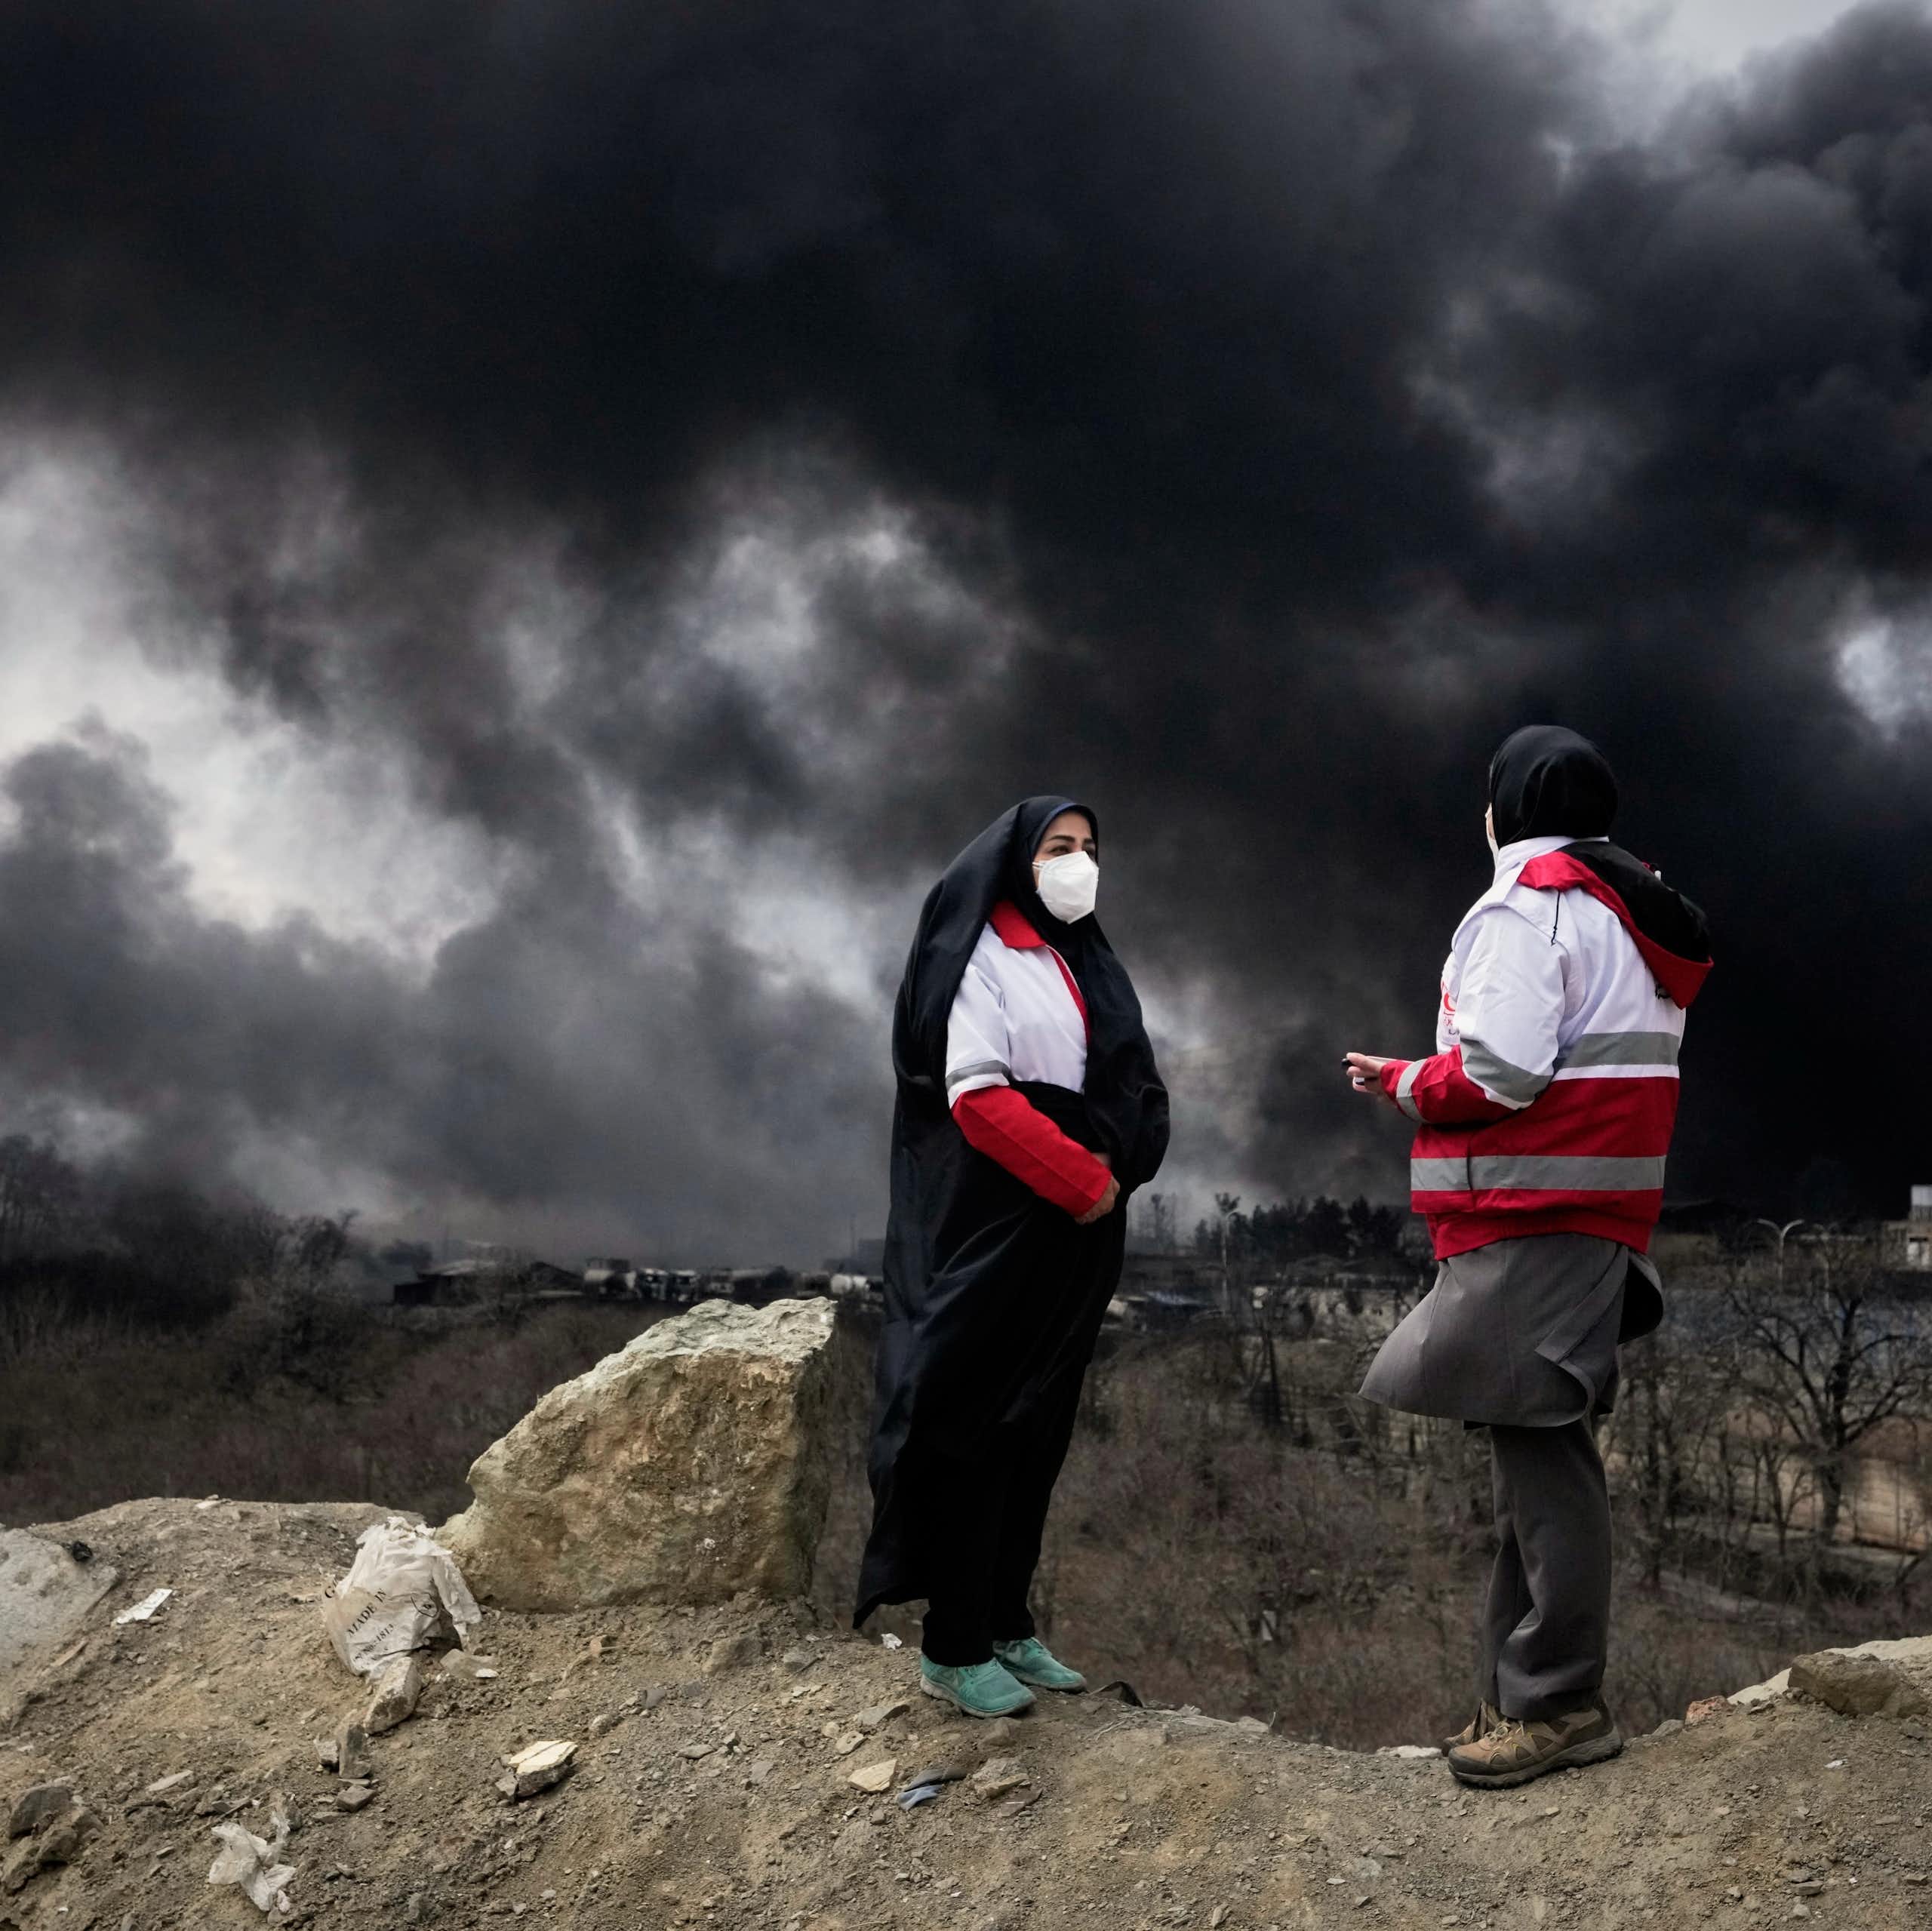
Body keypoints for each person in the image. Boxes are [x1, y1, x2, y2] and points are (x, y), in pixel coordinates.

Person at [1343, 726, 1712, 1790]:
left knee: (1548, 1468)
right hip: (1587, 1215)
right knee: (1529, 1461)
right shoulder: (1630, 904)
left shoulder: (1528, 906)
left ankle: (1556, 1704)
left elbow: (1501, 1071)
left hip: (1533, 1215)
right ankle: (1519, 1694)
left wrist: (1409, 1079)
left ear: (1505, 806)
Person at [855, 797, 1169, 1717]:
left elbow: (1128, 1082)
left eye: (1089, 848)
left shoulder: (1084, 959)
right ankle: (952, 1643)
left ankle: (1005, 1620)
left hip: (1078, 1230)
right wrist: (1081, 1178)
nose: (1079, 864)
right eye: (1058, 849)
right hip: (1003, 1224)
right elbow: (977, 1097)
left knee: (1040, 1426)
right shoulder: (978, 960)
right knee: (974, 1427)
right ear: (1014, 862)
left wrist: (1122, 1162)